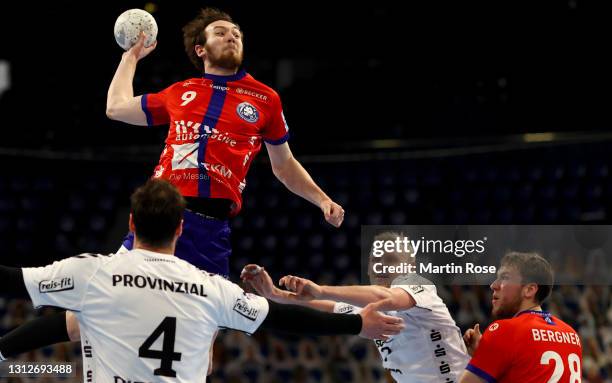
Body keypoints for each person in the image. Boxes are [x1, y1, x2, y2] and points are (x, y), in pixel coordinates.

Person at [0, 180, 401, 382]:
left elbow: (12, 282)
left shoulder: (94, 273)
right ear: (179, 229)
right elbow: (286, 319)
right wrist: (357, 323)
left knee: (82, 319)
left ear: (130, 224)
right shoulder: (212, 287)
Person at [108, 7, 344, 276]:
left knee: (211, 317)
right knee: (107, 293)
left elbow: (285, 164)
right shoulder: (180, 91)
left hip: (211, 228)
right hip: (160, 212)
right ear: (201, 49)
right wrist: (131, 57)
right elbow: (116, 107)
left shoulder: (266, 99)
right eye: (220, 33)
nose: (231, 37)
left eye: (236, 34)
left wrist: (323, 200)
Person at [242, 231, 470, 382]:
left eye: (390, 259)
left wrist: (321, 289)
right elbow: (324, 308)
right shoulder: (368, 309)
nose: (380, 265)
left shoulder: (419, 287)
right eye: (375, 260)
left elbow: (385, 296)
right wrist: (277, 295)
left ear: (411, 266)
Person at [459, 252, 583, 383]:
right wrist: (486, 356)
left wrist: (478, 357)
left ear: (529, 290)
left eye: (505, 278)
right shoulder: (572, 335)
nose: (494, 285)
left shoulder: (505, 330)